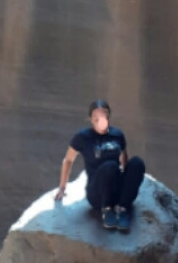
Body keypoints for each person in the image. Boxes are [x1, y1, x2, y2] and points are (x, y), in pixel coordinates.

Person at [53, 99, 146, 231]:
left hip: (116, 187)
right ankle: (107, 210)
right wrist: (62, 188)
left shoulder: (117, 135)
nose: (100, 119)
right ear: (90, 119)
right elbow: (68, 160)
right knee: (109, 166)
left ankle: (123, 208)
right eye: (96, 116)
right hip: (98, 192)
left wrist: (128, 185)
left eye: (103, 115)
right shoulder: (83, 137)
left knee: (137, 162)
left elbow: (125, 160)